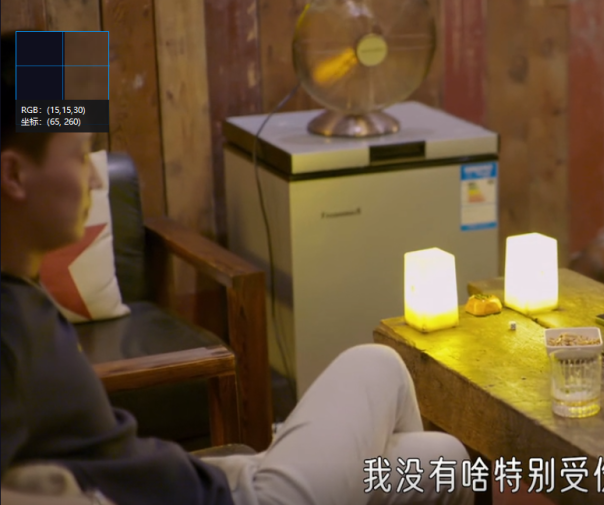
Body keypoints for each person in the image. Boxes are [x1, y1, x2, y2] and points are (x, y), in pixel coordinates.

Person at [0, 30, 472, 505]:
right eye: (81, 155)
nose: (96, 177)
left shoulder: (21, 292)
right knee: (379, 365)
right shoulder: (8, 324)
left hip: (206, 482)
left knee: (444, 459)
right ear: (14, 175)